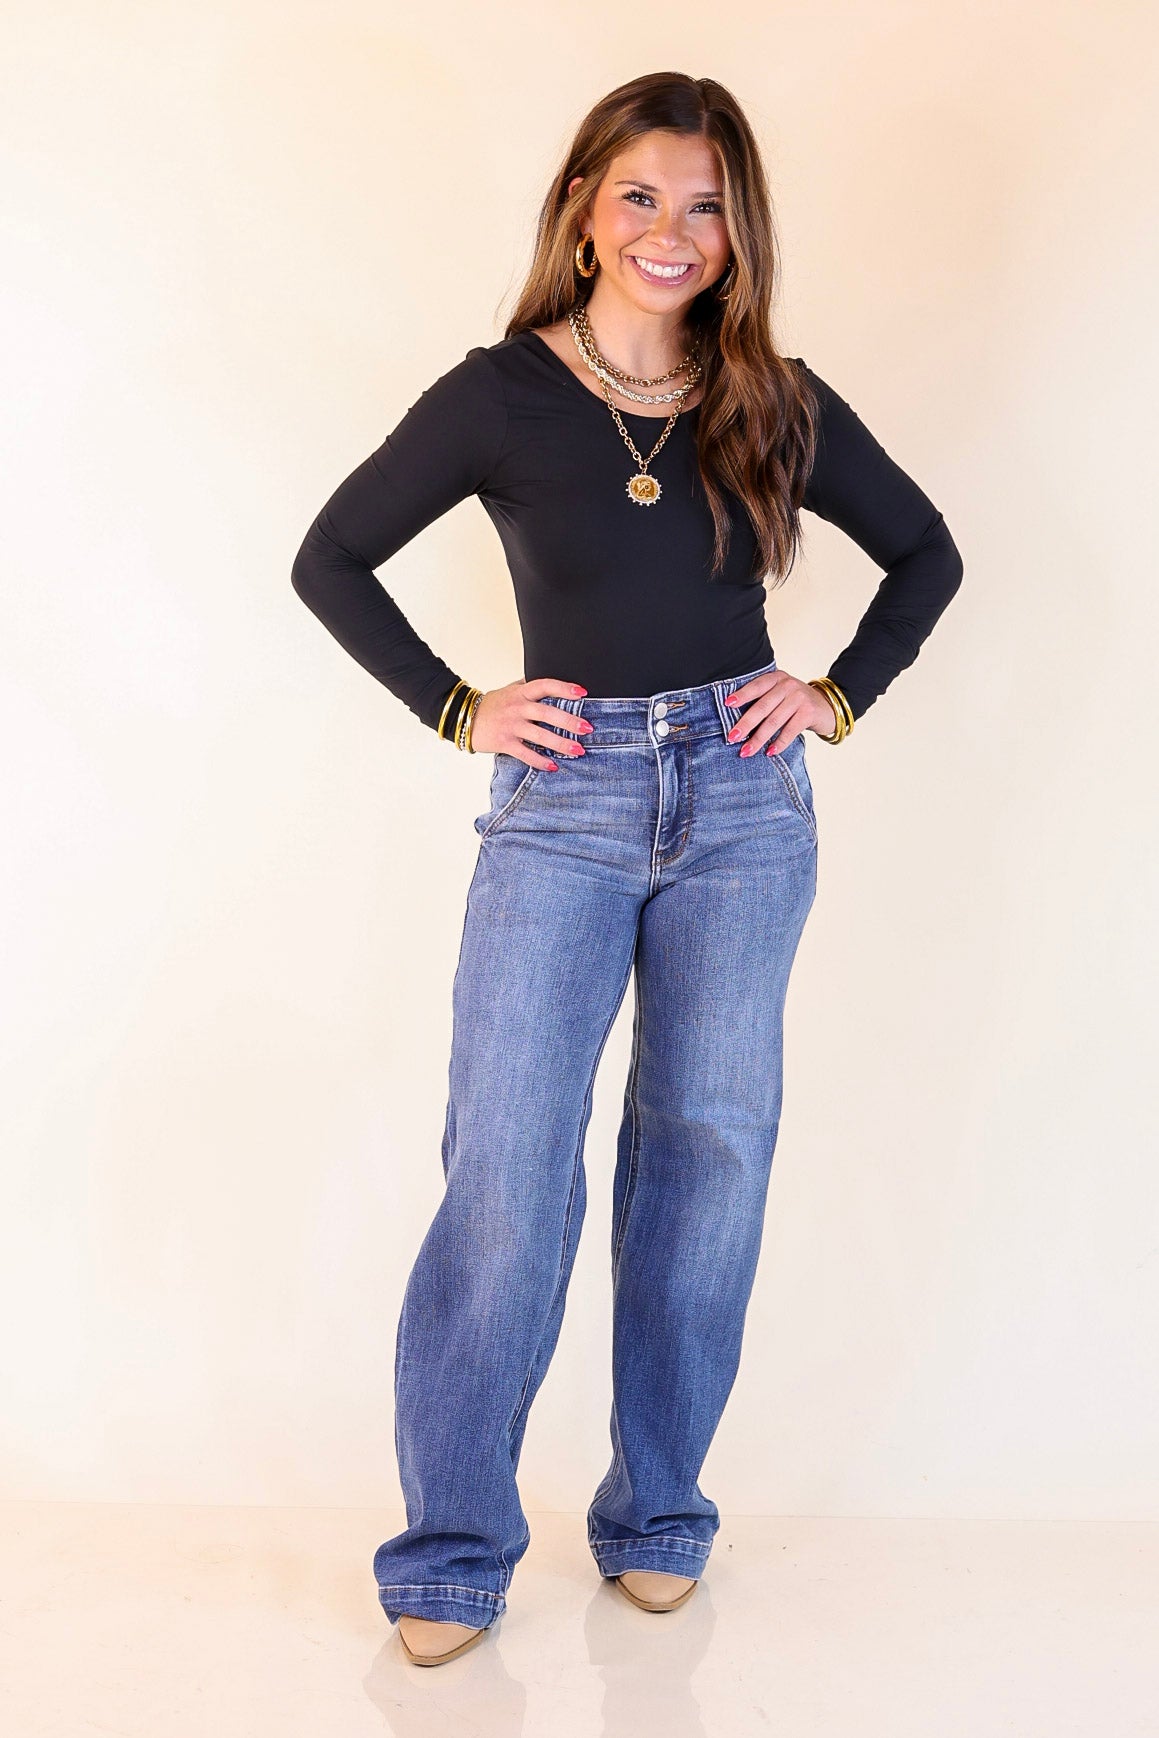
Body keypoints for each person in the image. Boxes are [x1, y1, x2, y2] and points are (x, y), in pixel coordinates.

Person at [290, 71, 963, 1668]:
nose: (675, 230)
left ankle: (659, 1514)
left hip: (742, 803)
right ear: (588, 211)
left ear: (739, 233)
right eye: (645, 195)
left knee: (706, 1158)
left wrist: (833, 696)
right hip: (566, 799)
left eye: (708, 205)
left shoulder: (772, 396)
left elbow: (928, 550)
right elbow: (331, 557)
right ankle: (454, 1548)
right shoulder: (501, 395)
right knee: (510, 1170)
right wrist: (461, 706)